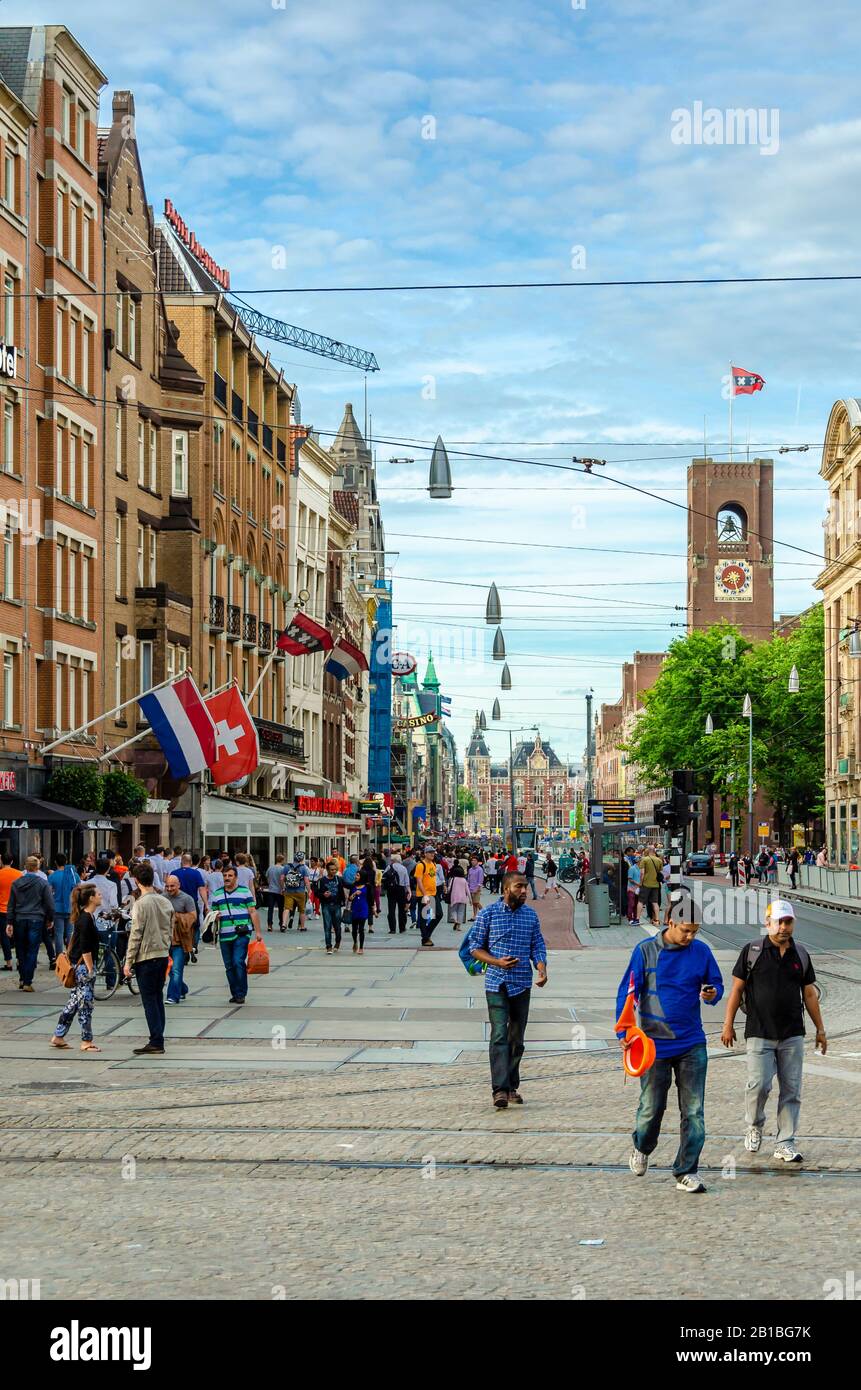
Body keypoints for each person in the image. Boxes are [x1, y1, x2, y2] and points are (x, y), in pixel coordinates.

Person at [618, 898, 723, 1193]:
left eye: (695, 932)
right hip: (654, 1046)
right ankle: (642, 1146)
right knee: (652, 1108)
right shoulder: (645, 951)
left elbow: (716, 983)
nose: (691, 937)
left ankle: (686, 1170)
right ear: (670, 922)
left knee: (694, 1111)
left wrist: (712, 993)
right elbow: (627, 992)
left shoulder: (701, 952)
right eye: (686, 931)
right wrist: (624, 1030)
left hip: (692, 1042)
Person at [721, 899, 826, 1164]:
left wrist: (820, 1029)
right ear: (767, 923)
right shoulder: (752, 951)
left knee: (792, 1089)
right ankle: (754, 1126)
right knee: (759, 1086)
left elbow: (810, 994)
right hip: (759, 1031)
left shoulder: (800, 954)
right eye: (778, 922)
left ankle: (785, 1142)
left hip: (792, 1033)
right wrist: (728, 1023)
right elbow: (737, 990)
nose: (783, 927)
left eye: (788, 922)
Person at [470, 872, 548, 1109]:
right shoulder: (488, 914)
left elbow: (538, 945)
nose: (524, 891)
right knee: (499, 1035)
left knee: (517, 1038)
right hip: (496, 983)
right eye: (519, 887)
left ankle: (512, 1085)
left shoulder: (530, 916)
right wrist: (496, 962)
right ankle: (500, 1090)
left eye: (525, 887)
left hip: (522, 983)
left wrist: (542, 968)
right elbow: (475, 947)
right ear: (506, 889)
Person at [123, 862, 173, 1055]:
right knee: (158, 998)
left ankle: (156, 1040)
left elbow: (136, 934)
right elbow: (170, 928)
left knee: (149, 1000)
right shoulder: (165, 901)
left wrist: (128, 962)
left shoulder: (140, 904)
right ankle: (158, 1036)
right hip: (161, 954)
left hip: (146, 957)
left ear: (136, 881)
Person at [51, 882, 101, 1053]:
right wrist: (90, 968)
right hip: (82, 968)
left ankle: (58, 1036)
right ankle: (86, 1040)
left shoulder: (86, 917)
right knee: (85, 1004)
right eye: (98, 894)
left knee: (73, 1003)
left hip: (78, 966)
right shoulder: (85, 919)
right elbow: (86, 947)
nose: (101, 896)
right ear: (91, 898)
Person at [211, 862, 263, 1004]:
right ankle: (235, 992)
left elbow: (252, 911)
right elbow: (212, 912)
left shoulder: (244, 892)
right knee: (229, 965)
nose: (227, 878)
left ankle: (241, 993)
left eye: (230, 875)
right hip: (224, 933)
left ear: (236, 878)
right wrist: (215, 916)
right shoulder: (217, 894)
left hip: (242, 932)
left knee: (238, 961)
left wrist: (258, 931)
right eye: (225, 875)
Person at [6, 856, 54, 991]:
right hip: (36, 919)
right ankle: (28, 981)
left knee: (20, 949)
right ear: (38, 867)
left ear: (26, 867)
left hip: (19, 918)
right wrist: (50, 919)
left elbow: (11, 905)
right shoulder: (43, 883)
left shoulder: (16, 883)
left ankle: (22, 978)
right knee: (33, 950)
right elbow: (49, 904)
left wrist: (9, 922)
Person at [163, 875, 197, 1005]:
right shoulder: (162, 897)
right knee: (170, 970)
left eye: (172, 886)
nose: (169, 889)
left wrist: (177, 917)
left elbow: (193, 917)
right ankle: (182, 988)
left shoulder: (187, 899)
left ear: (179, 885)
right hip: (165, 939)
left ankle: (173, 996)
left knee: (176, 969)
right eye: (167, 886)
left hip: (180, 940)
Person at [46, 852, 81, 956]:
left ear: (55, 862)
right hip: (71, 907)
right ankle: (71, 956)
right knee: (71, 933)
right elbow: (78, 890)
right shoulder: (74, 875)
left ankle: (59, 957)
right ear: (66, 862)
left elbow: (49, 893)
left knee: (58, 934)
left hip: (57, 908)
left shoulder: (52, 876)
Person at [414, 849, 442, 946]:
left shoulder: (433, 864)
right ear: (425, 854)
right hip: (424, 894)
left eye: (433, 852)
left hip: (433, 893)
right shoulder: (421, 865)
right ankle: (425, 938)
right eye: (430, 852)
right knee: (424, 917)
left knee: (438, 914)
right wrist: (425, 894)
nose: (432, 854)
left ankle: (427, 934)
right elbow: (419, 881)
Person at [0, 851, 22, 971]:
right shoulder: (19, 874)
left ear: (1, 861)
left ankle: (8, 963)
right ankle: (19, 961)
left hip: (2, 910)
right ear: (12, 861)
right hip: (17, 909)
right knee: (18, 936)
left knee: (4, 937)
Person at [318, 859, 345, 953]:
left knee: (337, 926)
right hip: (326, 905)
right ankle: (328, 946)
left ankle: (337, 943)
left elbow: (348, 885)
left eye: (335, 869)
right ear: (327, 870)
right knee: (327, 926)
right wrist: (323, 895)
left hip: (337, 905)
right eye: (331, 870)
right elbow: (317, 892)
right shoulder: (322, 880)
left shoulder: (339, 879)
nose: (333, 871)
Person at [281, 851, 311, 931]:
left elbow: (282, 878)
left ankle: (284, 924)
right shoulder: (303, 868)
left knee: (287, 908)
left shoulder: (287, 866)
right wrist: (309, 890)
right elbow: (306, 881)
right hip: (300, 891)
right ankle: (302, 926)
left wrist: (283, 888)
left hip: (289, 891)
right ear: (302, 859)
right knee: (302, 910)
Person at [384, 853, 410, 934]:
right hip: (401, 889)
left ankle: (392, 929)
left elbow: (384, 876)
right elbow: (407, 882)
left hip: (391, 890)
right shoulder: (403, 868)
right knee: (402, 909)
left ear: (393, 860)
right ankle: (402, 928)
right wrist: (408, 891)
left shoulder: (389, 867)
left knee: (391, 909)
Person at [638, 845, 664, 926]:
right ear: (654, 850)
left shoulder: (644, 859)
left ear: (648, 850)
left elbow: (642, 873)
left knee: (641, 902)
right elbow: (660, 872)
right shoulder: (659, 860)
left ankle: (637, 919)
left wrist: (640, 883)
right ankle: (657, 920)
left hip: (646, 884)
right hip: (655, 884)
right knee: (655, 902)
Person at [265, 855, 285, 932]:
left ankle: (269, 925)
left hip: (271, 890)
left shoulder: (270, 868)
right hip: (279, 891)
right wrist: (283, 888)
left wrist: (270, 884)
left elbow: (267, 877)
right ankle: (281, 924)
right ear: (282, 860)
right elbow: (283, 880)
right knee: (281, 908)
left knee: (270, 908)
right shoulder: (283, 869)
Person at [446, 862, 469, 931]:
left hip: (454, 897)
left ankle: (455, 920)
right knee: (461, 912)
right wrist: (470, 900)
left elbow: (449, 888)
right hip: (463, 898)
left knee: (453, 910)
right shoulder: (464, 880)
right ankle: (458, 926)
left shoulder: (453, 879)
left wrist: (447, 891)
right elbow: (467, 890)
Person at [349, 879, 370, 954]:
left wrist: (374, 908)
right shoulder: (353, 886)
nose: (356, 877)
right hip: (354, 908)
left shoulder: (367, 886)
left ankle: (361, 947)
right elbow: (350, 898)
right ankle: (355, 942)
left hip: (363, 908)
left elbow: (370, 897)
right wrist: (355, 893)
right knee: (354, 929)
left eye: (358, 875)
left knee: (361, 929)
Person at [403, 848, 419, 927]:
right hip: (419, 892)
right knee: (420, 907)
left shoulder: (403, 862)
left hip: (409, 887)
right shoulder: (414, 863)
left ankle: (413, 919)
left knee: (411, 906)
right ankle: (419, 923)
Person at [467, 854, 485, 919]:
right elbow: (468, 879)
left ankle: (484, 913)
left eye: (474, 860)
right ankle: (474, 916)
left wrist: (477, 889)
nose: (473, 861)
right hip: (470, 888)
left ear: (477, 861)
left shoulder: (480, 869)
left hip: (477, 888)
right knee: (474, 903)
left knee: (476, 902)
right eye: (472, 860)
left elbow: (480, 880)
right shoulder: (470, 869)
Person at [626, 855, 641, 923]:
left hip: (638, 889)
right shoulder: (632, 868)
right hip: (631, 889)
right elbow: (630, 879)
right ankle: (630, 918)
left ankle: (635, 918)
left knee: (637, 904)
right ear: (638, 861)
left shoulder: (641, 869)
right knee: (631, 904)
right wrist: (638, 884)